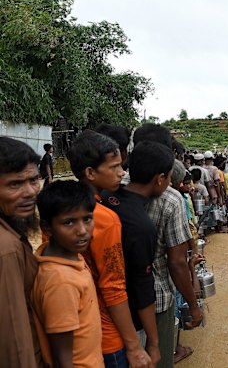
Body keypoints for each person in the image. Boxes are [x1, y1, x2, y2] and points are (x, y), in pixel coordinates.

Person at [67, 130, 152, 368]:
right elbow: (113, 287)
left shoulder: (60, 211)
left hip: (74, 329)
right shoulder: (104, 218)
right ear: (90, 173)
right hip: (107, 336)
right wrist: (134, 347)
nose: (122, 172)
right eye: (114, 167)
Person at [133, 125, 203, 368]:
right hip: (159, 299)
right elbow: (176, 262)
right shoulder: (170, 199)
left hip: (121, 302)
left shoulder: (113, 190)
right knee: (159, 357)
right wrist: (193, 305)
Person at [102, 141, 176, 367]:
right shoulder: (140, 225)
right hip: (128, 323)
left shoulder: (106, 197)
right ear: (160, 179)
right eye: (170, 177)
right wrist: (153, 344)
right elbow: (142, 285)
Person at [33, 180, 103, 367]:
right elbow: (63, 359)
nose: (82, 231)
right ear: (47, 228)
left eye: (87, 219)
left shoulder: (69, 258)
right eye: (69, 222)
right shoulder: (60, 281)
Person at [0, 137, 43, 367]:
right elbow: (15, 341)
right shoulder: (6, 248)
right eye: (15, 184)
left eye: (34, 180)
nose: (30, 192)